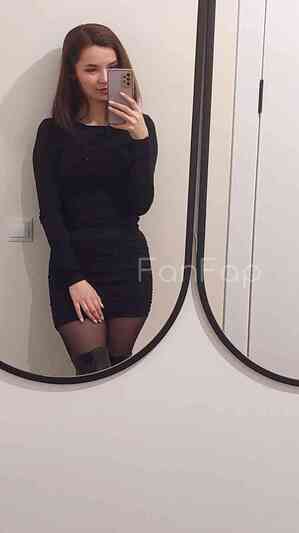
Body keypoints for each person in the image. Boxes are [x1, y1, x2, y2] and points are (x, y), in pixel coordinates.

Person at [32, 23, 158, 375]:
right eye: (91, 69)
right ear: (72, 73)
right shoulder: (53, 133)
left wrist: (140, 139)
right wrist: (74, 279)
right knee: (91, 371)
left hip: (126, 265)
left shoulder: (141, 127)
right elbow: (50, 213)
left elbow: (140, 204)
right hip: (73, 266)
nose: (104, 79)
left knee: (120, 371)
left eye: (112, 68)